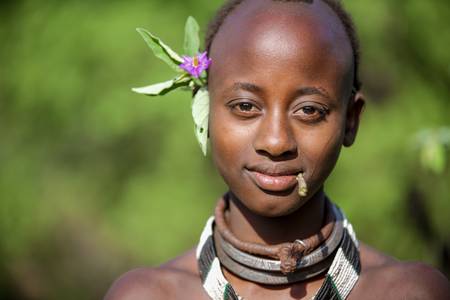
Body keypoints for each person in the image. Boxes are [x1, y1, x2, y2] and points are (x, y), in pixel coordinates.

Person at [104, 0, 450, 299]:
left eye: (309, 111)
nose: (275, 141)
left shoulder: (408, 293)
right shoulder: (148, 295)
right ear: (206, 109)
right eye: (244, 106)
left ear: (350, 121)